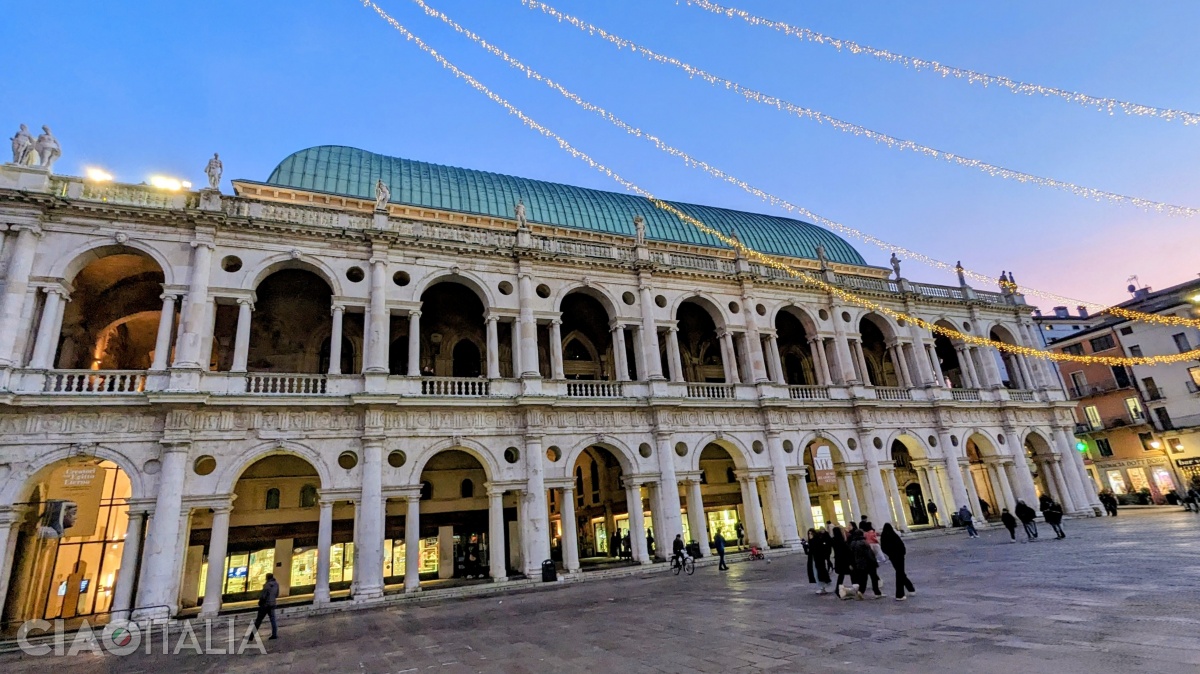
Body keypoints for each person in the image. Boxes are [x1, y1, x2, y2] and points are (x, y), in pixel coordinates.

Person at [879, 523, 914, 601]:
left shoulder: (884, 537)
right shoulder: (894, 535)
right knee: (900, 573)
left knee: (900, 573)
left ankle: (910, 588)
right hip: (900, 557)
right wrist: (902, 553)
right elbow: (901, 545)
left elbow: (883, 548)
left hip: (893, 558)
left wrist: (890, 554)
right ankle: (900, 594)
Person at [847, 529, 881, 600]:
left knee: (863, 579)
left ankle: (861, 591)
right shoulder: (864, 543)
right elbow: (869, 554)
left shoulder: (852, 543)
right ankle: (877, 592)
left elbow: (851, 555)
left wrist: (852, 564)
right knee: (874, 578)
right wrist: (874, 562)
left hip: (860, 564)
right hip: (869, 563)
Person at [254, 573, 279, 640]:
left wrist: (260, 602)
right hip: (272, 604)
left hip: (265, 605)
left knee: (259, 620)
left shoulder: (266, 585)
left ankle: (252, 635)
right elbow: (277, 594)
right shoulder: (276, 584)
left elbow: (263, 596)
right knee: (273, 619)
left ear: (267, 577)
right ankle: (274, 634)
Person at [830, 527, 853, 596]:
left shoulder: (833, 540)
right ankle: (855, 587)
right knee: (852, 574)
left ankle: (837, 588)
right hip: (844, 560)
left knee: (841, 575)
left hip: (838, 559)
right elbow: (846, 551)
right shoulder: (841, 541)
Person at [811, 529, 832, 594]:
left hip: (819, 560)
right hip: (817, 560)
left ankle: (822, 587)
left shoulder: (816, 541)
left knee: (819, 573)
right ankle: (822, 587)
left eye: (811, 534)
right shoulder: (814, 541)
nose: (809, 535)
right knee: (817, 573)